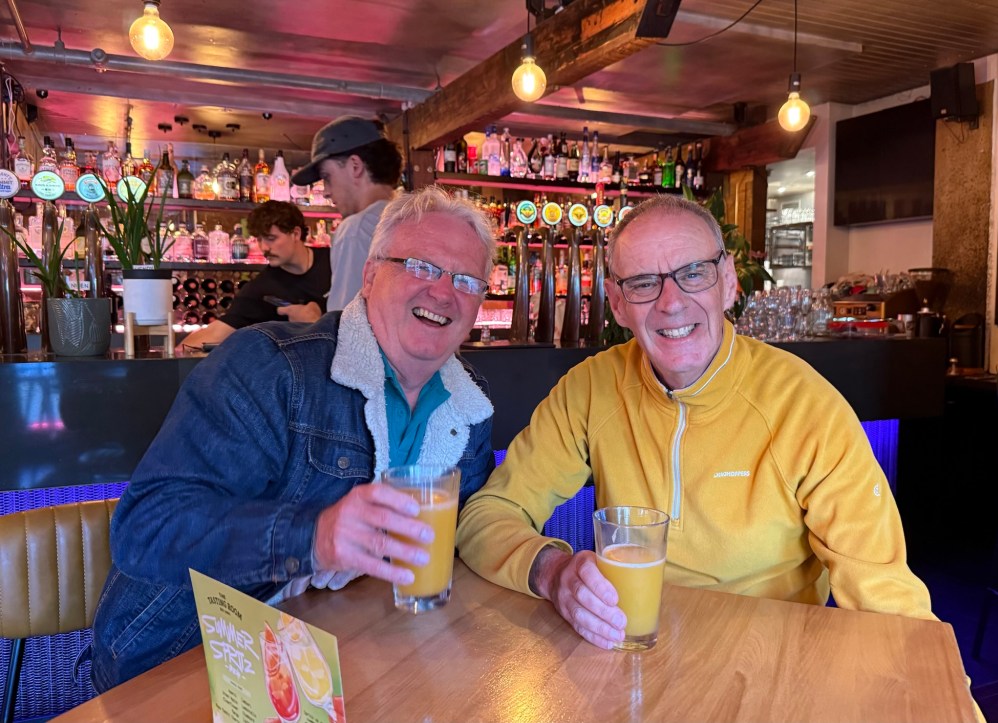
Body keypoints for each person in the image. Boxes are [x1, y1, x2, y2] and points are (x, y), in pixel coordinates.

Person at [457, 194, 935, 650]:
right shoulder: (591, 388)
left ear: (728, 281)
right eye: (643, 282)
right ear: (617, 303)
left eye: (693, 273)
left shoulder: (808, 406)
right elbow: (486, 517)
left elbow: (888, 602)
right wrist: (552, 571)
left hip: (767, 668)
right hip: (628, 654)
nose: (671, 302)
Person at [92, 186, 497, 691]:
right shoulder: (269, 366)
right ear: (370, 274)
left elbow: (472, 535)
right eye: (421, 266)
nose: (443, 292)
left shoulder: (468, 407)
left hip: (347, 656)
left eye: (466, 280)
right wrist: (314, 537)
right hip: (188, 659)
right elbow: (145, 528)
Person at [177, 201, 329, 352]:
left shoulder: (334, 261)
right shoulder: (260, 289)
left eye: (271, 238)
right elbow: (215, 333)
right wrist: (175, 355)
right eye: (259, 239)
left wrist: (319, 322)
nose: (264, 248)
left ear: (296, 233)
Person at [290, 115, 403, 311]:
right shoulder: (414, 216)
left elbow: (346, 320)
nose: (325, 191)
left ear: (355, 166)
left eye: (326, 177)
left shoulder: (356, 229)